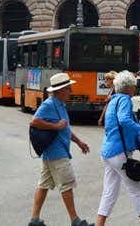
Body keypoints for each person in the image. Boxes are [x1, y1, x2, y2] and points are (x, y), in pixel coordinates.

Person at [27, 72, 92, 226]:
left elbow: (65, 129)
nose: (71, 91)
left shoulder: (60, 105)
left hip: (52, 153)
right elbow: (34, 121)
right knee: (67, 185)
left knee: (43, 186)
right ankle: (75, 220)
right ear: (61, 90)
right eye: (69, 88)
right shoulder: (49, 105)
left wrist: (79, 142)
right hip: (57, 153)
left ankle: (34, 220)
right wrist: (55, 126)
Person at [97, 70, 140, 225]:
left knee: (109, 193)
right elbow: (124, 121)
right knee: (136, 191)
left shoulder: (113, 100)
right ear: (129, 87)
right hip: (118, 154)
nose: (135, 89)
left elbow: (116, 127)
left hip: (108, 152)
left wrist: (136, 141)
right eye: (134, 86)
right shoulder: (125, 100)